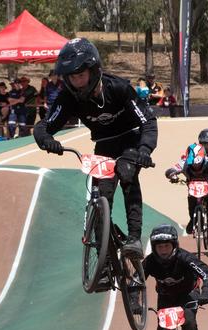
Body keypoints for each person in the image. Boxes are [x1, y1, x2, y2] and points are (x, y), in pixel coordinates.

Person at [34, 38, 158, 259]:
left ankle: (134, 239)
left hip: (130, 141)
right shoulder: (68, 97)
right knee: (100, 195)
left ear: (93, 71)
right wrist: (46, 139)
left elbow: (148, 121)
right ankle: (105, 254)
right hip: (104, 145)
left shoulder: (119, 88)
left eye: (81, 75)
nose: (77, 82)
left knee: (128, 175)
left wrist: (145, 150)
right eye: (72, 77)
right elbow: (44, 126)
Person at [143, 224, 208, 330]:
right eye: (160, 247)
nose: (163, 250)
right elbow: (136, 282)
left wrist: (205, 293)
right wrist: (135, 302)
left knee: (189, 323)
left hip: (188, 294)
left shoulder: (185, 258)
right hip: (165, 297)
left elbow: (207, 273)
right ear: (154, 248)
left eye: (167, 246)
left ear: (174, 246)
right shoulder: (150, 262)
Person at [165, 144, 208, 236]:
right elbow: (170, 170)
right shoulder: (184, 162)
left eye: (199, 165)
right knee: (191, 201)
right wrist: (173, 176)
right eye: (193, 166)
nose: (196, 168)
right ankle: (192, 220)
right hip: (192, 185)